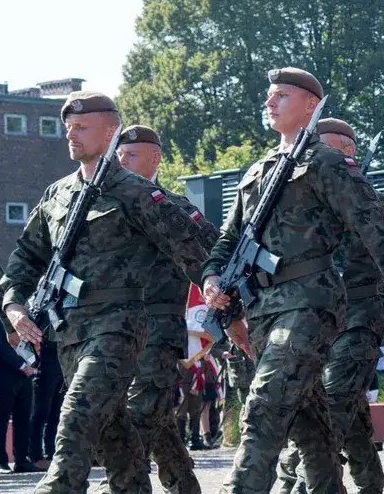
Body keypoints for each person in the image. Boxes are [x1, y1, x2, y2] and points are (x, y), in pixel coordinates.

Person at [201, 67, 384, 493]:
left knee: (264, 407)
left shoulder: (327, 163)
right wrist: (213, 276)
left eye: (281, 96)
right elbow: (229, 237)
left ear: (311, 105)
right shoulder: (258, 171)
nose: (269, 103)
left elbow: (372, 226)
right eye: (268, 96)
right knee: (311, 427)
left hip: (311, 301)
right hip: (263, 309)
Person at [3, 91, 214, 494]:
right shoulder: (57, 194)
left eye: (82, 127)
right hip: (70, 331)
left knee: (78, 413)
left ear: (110, 131)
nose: (71, 135)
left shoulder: (137, 193)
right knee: (115, 433)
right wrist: (14, 305)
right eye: (69, 128)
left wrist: (224, 303)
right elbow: (25, 257)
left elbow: (195, 250)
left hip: (123, 325)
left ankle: (58, 485)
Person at [276, 117, 384, 494]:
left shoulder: (376, 204)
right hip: (313, 317)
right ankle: (370, 483)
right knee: (336, 408)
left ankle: (297, 485)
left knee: (334, 402)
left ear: (348, 152)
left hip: (361, 313)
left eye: (325, 146)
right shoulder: (300, 205)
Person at [116, 123, 218, 492]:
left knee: (140, 415)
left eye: (130, 155)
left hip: (157, 329)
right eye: (118, 155)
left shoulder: (174, 207)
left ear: (154, 158)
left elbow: (215, 253)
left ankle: (122, 485)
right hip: (111, 330)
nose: (120, 161)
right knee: (155, 421)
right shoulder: (101, 210)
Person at [0, 309, 39, 473]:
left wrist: (31, 364)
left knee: (23, 418)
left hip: (25, 375)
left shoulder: (22, 315)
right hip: (3, 376)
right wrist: (22, 365)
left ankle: (22, 459)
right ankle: (0, 462)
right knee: (2, 418)